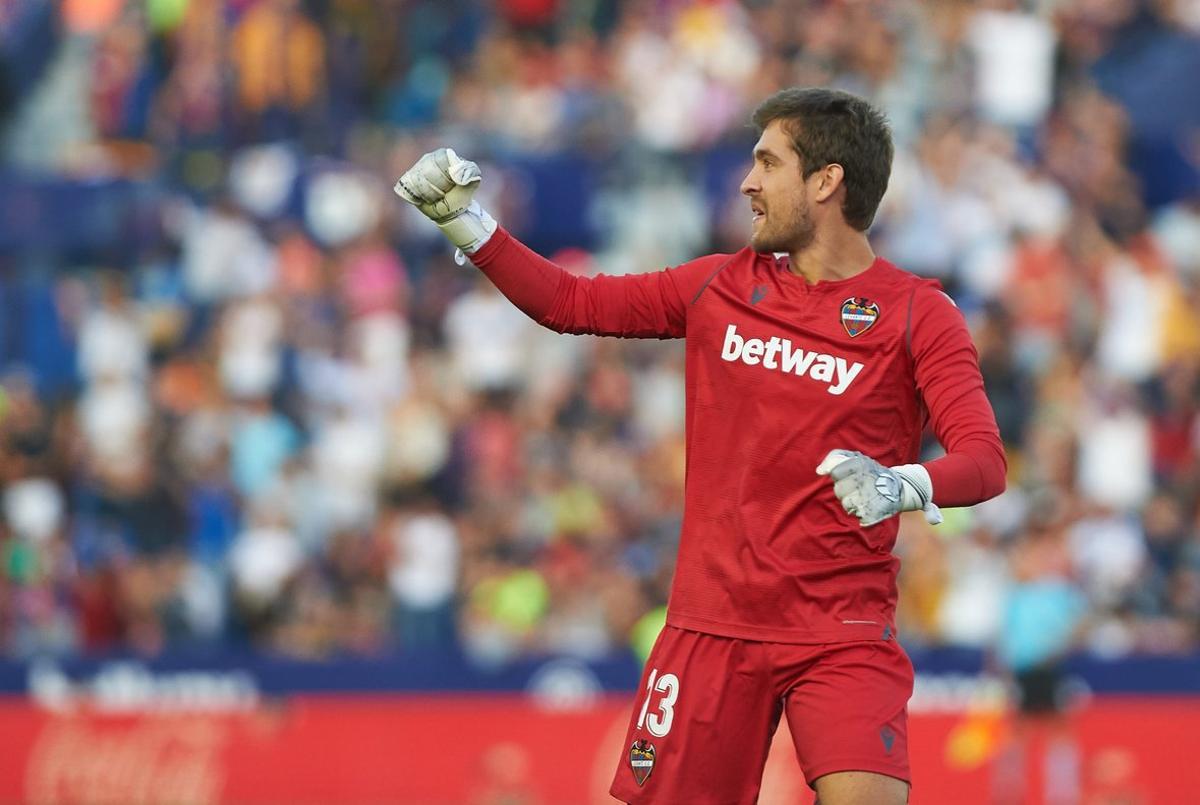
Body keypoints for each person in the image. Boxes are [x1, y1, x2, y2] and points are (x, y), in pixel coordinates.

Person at [395, 87, 1006, 805]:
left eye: (767, 164)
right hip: (710, 629)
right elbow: (571, 302)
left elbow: (984, 459)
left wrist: (902, 483)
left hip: (842, 632)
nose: (747, 182)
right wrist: (470, 226)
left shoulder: (917, 313)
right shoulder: (718, 286)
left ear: (826, 181)